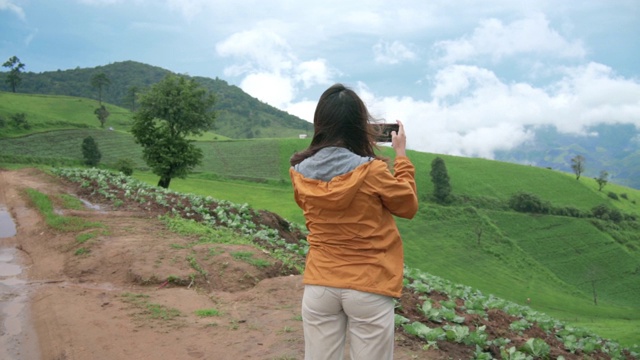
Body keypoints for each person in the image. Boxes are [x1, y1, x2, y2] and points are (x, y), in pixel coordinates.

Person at [289, 83, 419, 360]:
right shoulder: (371, 170)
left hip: (319, 286)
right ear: (360, 125)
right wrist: (401, 156)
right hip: (369, 285)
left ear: (320, 123)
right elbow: (407, 206)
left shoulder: (298, 172)